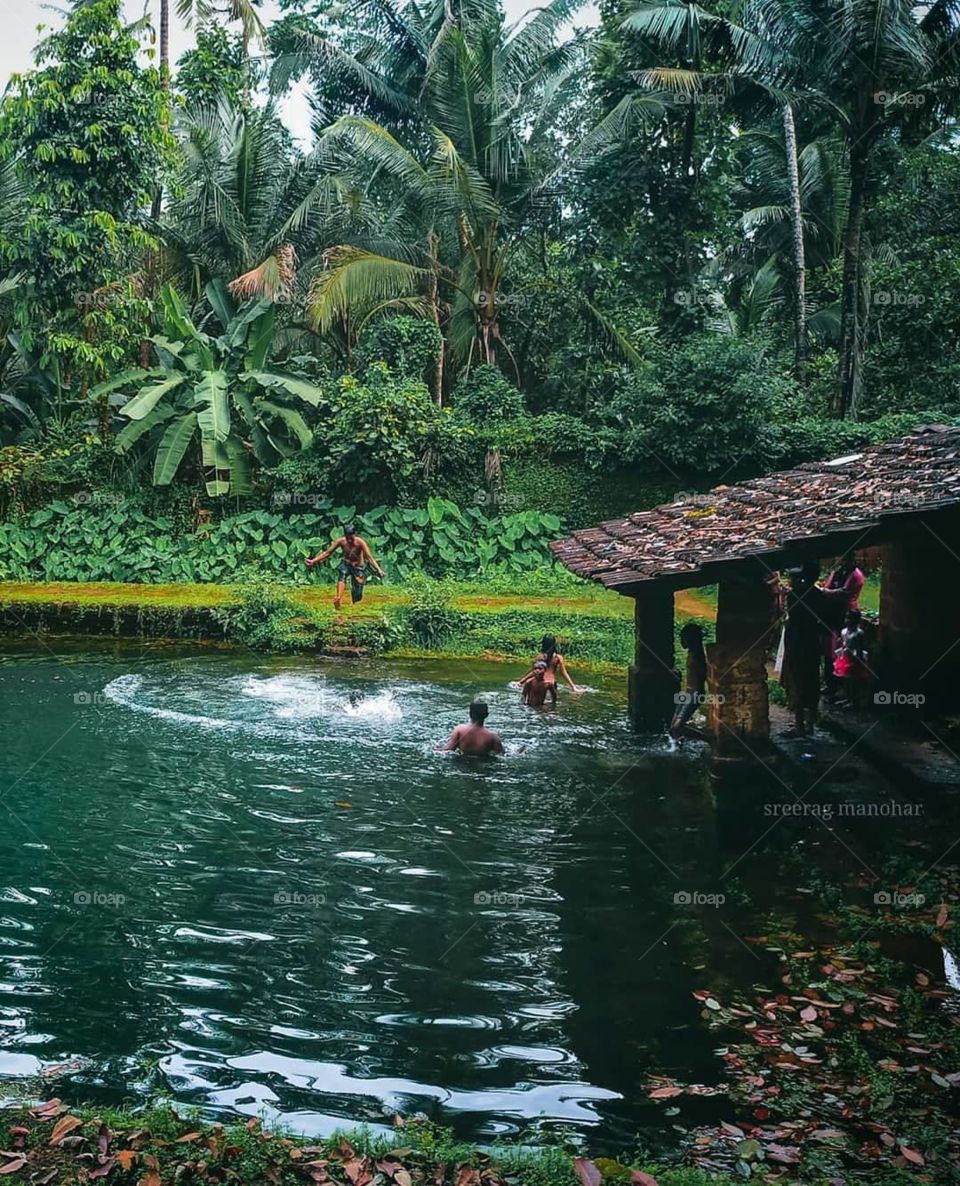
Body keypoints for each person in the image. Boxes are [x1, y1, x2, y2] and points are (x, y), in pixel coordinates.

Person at [781, 560, 829, 736]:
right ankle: (809, 724)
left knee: (797, 682)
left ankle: (799, 725)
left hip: (797, 642)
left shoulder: (794, 595)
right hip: (812, 642)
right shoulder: (819, 595)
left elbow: (792, 619)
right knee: (812, 681)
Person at [305, 524, 386, 610]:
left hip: (358, 567)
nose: (350, 540)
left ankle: (355, 604)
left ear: (355, 534)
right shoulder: (341, 541)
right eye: (348, 538)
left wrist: (379, 570)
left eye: (351, 538)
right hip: (346, 563)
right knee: (342, 576)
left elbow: (370, 558)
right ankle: (338, 598)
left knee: (357, 595)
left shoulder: (360, 543)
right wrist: (314, 561)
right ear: (345, 536)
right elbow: (327, 553)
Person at [821, 551, 865, 698]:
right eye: (842, 558)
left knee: (844, 652)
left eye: (846, 559)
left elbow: (844, 592)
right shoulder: (839, 571)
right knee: (829, 650)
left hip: (845, 614)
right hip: (833, 614)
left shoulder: (856, 575)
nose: (843, 561)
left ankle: (841, 688)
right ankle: (830, 683)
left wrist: (825, 592)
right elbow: (829, 584)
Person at [670, 623, 708, 740]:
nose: (681, 641)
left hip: (695, 694)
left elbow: (704, 674)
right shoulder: (691, 653)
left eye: (683, 638)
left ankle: (709, 739)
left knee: (677, 727)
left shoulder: (698, 655)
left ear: (691, 639)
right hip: (687, 693)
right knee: (673, 727)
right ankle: (678, 747)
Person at [436, 701, 505, 756]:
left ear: (470, 714)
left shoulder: (459, 730)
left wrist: (435, 749)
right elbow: (501, 755)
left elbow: (448, 749)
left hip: (461, 764)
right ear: (486, 715)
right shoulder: (492, 737)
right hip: (481, 764)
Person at [833, 609, 870, 708]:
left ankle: (854, 701)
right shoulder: (844, 631)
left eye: (851, 619)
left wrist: (859, 661)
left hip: (855, 659)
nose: (847, 620)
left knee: (854, 681)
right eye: (847, 618)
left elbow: (860, 648)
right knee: (846, 680)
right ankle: (848, 697)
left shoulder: (859, 633)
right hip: (846, 657)